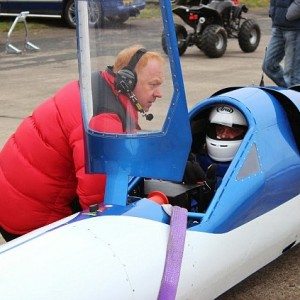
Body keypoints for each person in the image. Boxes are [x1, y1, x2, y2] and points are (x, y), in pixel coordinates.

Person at [0, 45, 165, 242]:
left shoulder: (97, 87)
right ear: (127, 80)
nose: (159, 93)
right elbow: (96, 203)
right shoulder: (104, 119)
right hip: (30, 220)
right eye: (153, 85)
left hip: (12, 200)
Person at [262, 0, 300, 88]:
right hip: (278, 27)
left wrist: (288, 15)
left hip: (294, 28)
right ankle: (288, 92)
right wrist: (273, 13)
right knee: (268, 66)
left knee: (292, 77)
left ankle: (292, 97)